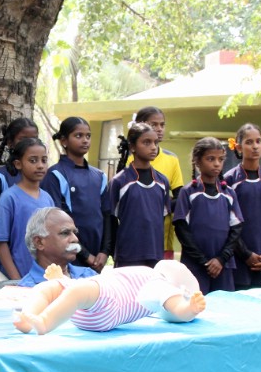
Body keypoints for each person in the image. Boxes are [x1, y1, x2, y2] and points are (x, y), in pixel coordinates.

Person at [13, 260, 205, 334]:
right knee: (49, 287)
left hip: (109, 304)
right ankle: (27, 319)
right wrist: (63, 281)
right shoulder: (153, 278)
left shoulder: (159, 285)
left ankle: (45, 322)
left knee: (74, 292)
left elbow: (176, 306)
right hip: (96, 299)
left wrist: (189, 309)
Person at [174, 138, 244, 293]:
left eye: (220, 159)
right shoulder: (188, 192)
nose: (217, 164)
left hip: (223, 266)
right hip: (195, 266)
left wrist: (221, 259)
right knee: (195, 307)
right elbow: (182, 230)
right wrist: (204, 261)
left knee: (224, 309)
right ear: (197, 162)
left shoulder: (229, 193)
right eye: (210, 159)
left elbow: (236, 229)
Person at [41, 116, 110, 272]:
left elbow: (107, 216)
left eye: (88, 136)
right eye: (78, 136)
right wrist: (85, 255)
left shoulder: (99, 176)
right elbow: (57, 223)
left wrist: (104, 252)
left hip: (97, 259)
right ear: (64, 141)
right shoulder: (55, 175)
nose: (85, 140)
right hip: (68, 258)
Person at [223, 124, 261, 290]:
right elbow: (226, 222)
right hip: (238, 259)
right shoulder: (229, 180)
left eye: (258, 141)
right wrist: (246, 254)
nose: (255, 146)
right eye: (249, 142)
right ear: (238, 147)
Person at [0, 137, 54, 280]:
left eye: (44, 160)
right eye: (33, 160)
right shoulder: (9, 198)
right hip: (18, 278)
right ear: (18, 164)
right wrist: (16, 279)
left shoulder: (48, 198)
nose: (40, 165)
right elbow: (0, 242)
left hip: (44, 278)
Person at [109, 122, 171, 268]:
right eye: (146, 142)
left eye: (155, 142)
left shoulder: (162, 182)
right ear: (132, 147)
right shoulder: (119, 181)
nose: (153, 147)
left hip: (155, 254)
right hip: (128, 255)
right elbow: (110, 221)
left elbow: (160, 220)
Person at [127, 107, 185, 260]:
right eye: (154, 125)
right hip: (133, 240)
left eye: (162, 125)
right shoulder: (127, 161)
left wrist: (159, 206)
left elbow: (179, 197)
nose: (159, 129)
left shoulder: (171, 159)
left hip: (162, 239)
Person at [19, 208, 96, 287]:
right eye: (65, 233)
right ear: (39, 242)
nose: (75, 239)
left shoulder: (89, 275)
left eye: (75, 232)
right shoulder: (26, 289)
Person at [0, 117, 39, 188]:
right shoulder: (0, 177)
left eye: (34, 139)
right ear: (10, 143)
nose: (31, 143)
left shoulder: (41, 174)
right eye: (24, 139)